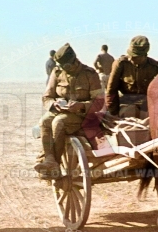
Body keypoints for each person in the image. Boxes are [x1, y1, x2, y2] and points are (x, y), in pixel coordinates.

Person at [34, 43, 105, 177]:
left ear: (74, 61)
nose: (63, 69)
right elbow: (46, 97)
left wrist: (81, 106)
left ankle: (55, 162)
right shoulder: (57, 73)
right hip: (60, 111)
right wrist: (54, 104)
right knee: (44, 121)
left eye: (66, 66)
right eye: (61, 66)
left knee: (58, 123)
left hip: (81, 116)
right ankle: (50, 160)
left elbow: (99, 102)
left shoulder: (89, 74)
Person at [105, 35, 158, 118]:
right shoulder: (121, 64)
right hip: (126, 104)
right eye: (129, 54)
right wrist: (113, 112)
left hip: (147, 106)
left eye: (134, 56)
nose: (130, 58)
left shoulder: (156, 67)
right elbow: (111, 90)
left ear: (144, 55)